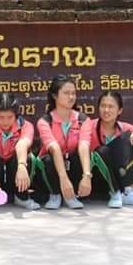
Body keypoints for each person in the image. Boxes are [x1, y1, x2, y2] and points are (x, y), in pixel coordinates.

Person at [77, 90, 133, 209]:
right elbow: (83, 145)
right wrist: (86, 175)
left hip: (121, 174)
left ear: (119, 110)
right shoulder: (89, 125)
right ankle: (115, 193)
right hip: (98, 176)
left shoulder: (124, 127)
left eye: (111, 106)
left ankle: (129, 191)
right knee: (102, 150)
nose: (106, 110)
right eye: (103, 106)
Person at [36, 75, 86, 210]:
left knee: (79, 156)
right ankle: (55, 194)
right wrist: (63, 179)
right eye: (66, 93)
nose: (71, 97)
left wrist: (87, 175)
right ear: (54, 95)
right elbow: (54, 148)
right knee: (48, 159)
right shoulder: (45, 121)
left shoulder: (83, 120)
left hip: (72, 168)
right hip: (51, 169)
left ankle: (71, 196)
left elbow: (84, 146)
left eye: (73, 93)